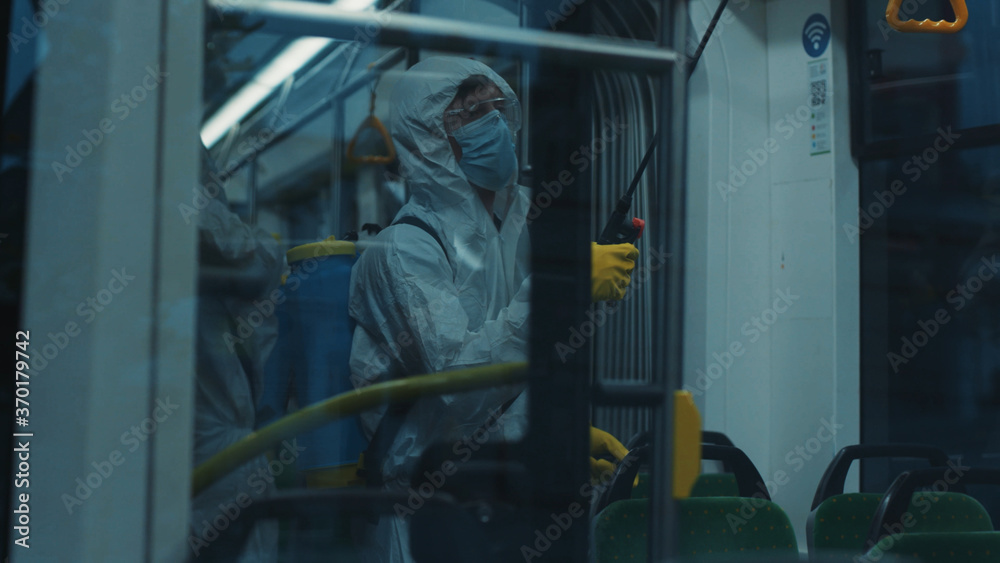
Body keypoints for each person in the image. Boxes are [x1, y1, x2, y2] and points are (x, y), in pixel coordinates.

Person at [348, 56, 638, 562]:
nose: (493, 122)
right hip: (423, 507)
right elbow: (463, 386)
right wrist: (560, 289)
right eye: (470, 112)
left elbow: (517, 373)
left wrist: (555, 438)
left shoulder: (515, 226)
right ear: (429, 137)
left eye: (495, 106)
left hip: (503, 490)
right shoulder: (405, 249)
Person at [188, 153, 282, 562]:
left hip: (220, 451)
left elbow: (257, 262)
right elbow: (259, 258)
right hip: (211, 453)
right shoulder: (167, 210)